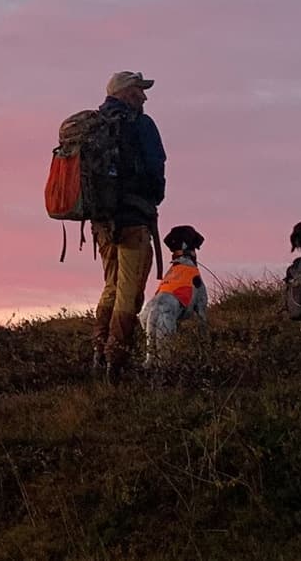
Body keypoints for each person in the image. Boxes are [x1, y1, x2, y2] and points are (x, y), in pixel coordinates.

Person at [91, 70, 167, 382]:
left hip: (103, 222)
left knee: (111, 284)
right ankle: (116, 362)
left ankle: (98, 352)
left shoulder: (94, 125)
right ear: (124, 93)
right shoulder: (140, 124)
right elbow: (155, 166)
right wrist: (153, 198)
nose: (144, 97)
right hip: (134, 220)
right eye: (139, 91)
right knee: (130, 291)